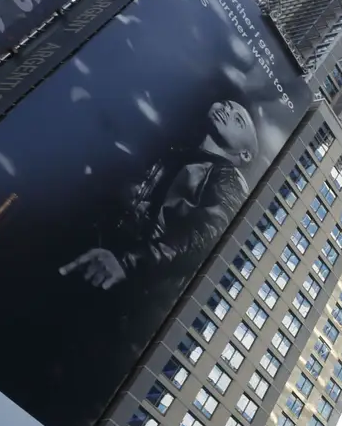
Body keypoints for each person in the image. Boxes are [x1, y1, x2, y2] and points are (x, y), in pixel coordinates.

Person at [59, 99, 257, 290]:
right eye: (225, 105)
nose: (226, 111)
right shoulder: (181, 151)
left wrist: (129, 262)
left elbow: (204, 238)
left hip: (131, 284)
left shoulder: (228, 179)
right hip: (101, 250)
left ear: (245, 154)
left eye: (238, 120)